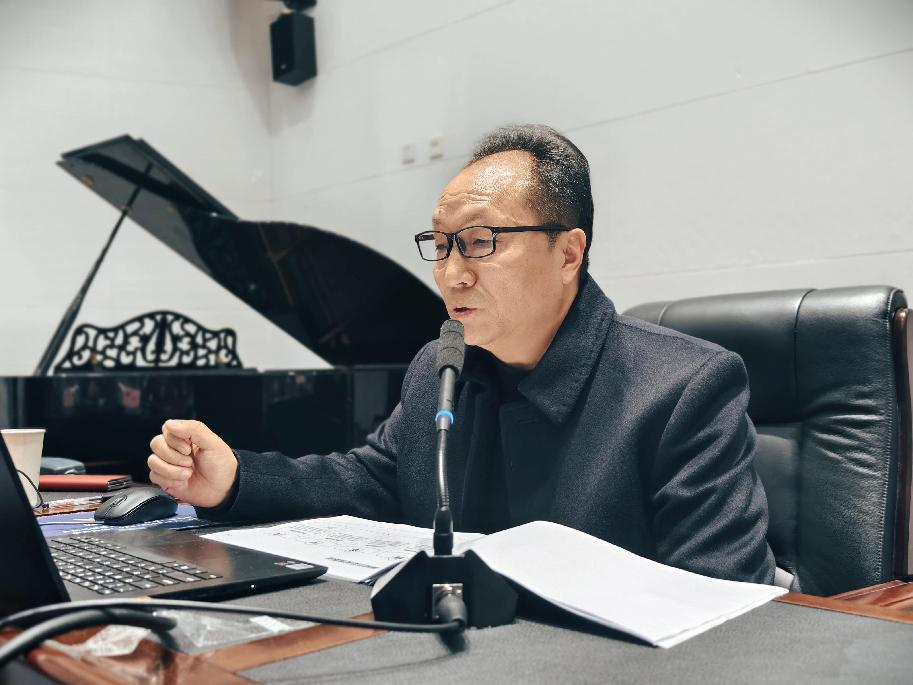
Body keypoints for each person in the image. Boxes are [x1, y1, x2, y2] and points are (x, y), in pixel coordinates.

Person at [148, 124, 776, 584]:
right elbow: (372, 481)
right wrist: (237, 479)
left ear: (568, 253)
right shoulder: (440, 366)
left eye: (480, 242)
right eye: (441, 244)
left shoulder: (685, 386)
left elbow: (723, 599)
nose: (452, 274)